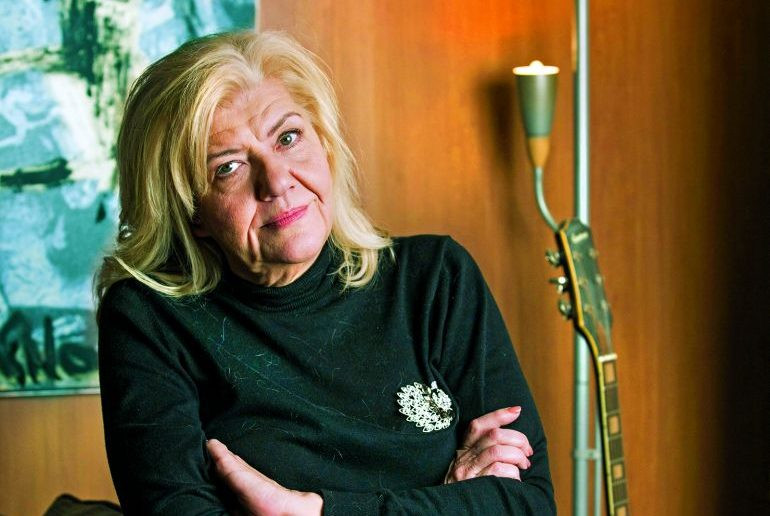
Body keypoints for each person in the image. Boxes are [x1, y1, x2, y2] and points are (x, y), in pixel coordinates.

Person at [96, 30, 555, 515]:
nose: (277, 181)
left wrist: (312, 510)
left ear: (326, 145)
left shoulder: (436, 279)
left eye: (288, 138)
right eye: (228, 167)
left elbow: (529, 503)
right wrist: (450, 499)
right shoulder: (149, 320)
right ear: (191, 211)